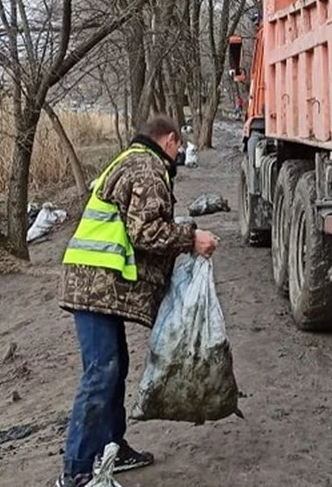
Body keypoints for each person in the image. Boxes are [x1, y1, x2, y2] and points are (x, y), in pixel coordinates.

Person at [56, 115, 219, 487]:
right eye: (179, 148)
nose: (179, 155)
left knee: (114, 365)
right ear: (171, 140)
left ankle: (112, 448)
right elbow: (146, 232)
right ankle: (76, 470)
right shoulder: (148, 168)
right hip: (95, 283)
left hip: (95, 282)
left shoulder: (130, 159)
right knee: (101, 371)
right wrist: (190, 238)